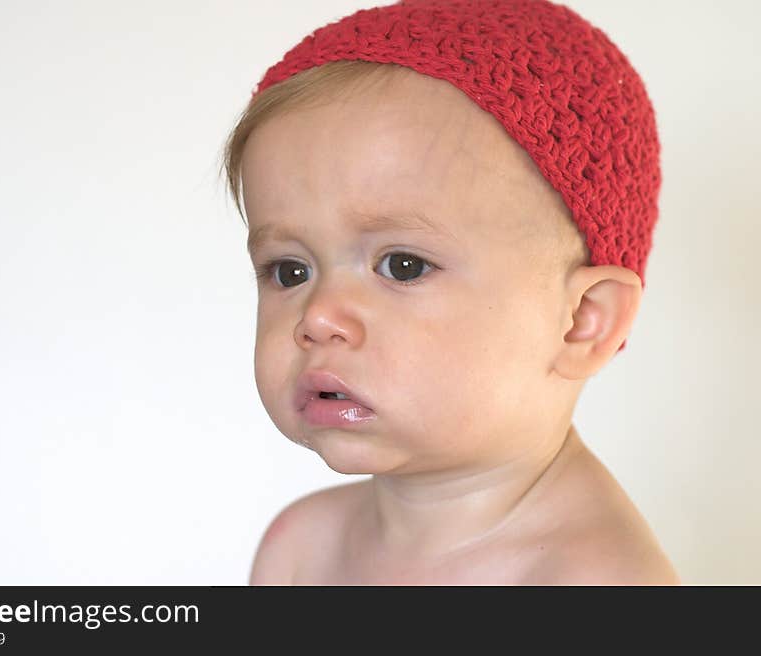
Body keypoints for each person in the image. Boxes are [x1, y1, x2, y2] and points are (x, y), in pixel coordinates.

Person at [220, 0, 680, 584]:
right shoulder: (302, 550)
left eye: (403, 265)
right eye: (290, 271)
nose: (318, 318)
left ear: (581, 320)